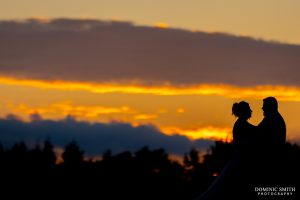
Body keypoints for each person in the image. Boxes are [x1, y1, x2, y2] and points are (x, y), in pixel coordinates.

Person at [196, 101, 257, 200]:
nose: (251, 111)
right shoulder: (242, 125)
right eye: (249, 109)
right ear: (244, 111)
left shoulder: (241, 124)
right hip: (240, 160)